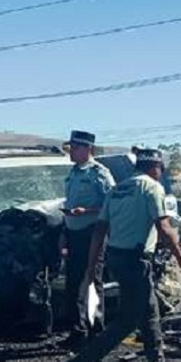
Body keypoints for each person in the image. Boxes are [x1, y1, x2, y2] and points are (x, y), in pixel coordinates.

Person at [61, 148, 181, 362]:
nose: (160, 173)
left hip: (116, 257)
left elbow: (99, 230)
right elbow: (164, 227)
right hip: (135, 260)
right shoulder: (151, 187)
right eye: (160, 169)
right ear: (155, 167)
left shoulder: (118, 189)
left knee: (150, 312)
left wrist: (91, 267)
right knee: (127, 321)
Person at [59, 130, 115, 350]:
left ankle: (95, 331)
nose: (71, 152)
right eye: (70, 148)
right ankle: (77, 330)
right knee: (73, 284)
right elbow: (68, 202)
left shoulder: (99, 173)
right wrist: (64, 232)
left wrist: (87, 211)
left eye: (74, 148)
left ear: (87, 149)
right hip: (73, 233)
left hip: (92, 233)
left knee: (91, 281)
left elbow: (111, 205)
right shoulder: (73, 173)